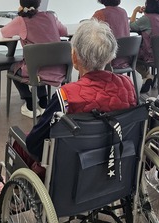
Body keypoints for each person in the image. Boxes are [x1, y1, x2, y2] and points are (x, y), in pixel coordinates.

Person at [25, 20, 136, 160]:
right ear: (109, 57)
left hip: (74, 165)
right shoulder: (127, 85)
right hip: (117, 160)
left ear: (74, 57)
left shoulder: (65, 96)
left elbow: (34, 145)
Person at [1, 0, 68, 118]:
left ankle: (30, 105)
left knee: (13, 69)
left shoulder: (21, 20)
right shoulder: (51, 16)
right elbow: (64, 31)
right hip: (58, 69)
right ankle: (43, 103)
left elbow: (4, 32)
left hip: (36, 71)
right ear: (39, 3)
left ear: (21, 4)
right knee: (38, 63)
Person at [130, 0, 159, 94]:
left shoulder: (146, 19)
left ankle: (147, 75)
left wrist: (135, 11)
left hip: (152, 56)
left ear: (148, 3)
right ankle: (148, 77)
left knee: (131, 56)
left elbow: (132, 26)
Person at [92, 0, 130, 68]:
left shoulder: (100, 14)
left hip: (108, 60)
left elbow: (88, 29)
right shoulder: (124, 12)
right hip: (125, 58)